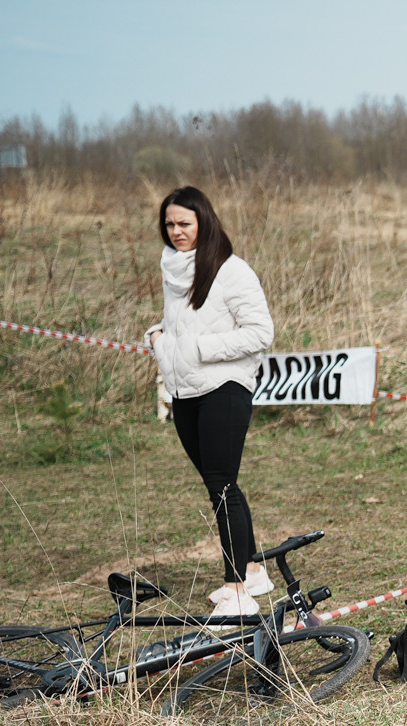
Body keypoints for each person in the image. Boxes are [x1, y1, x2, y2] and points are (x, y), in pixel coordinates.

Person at [146, 186, 276, 616]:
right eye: (170, 224)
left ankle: (237, 589)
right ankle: (253, 569)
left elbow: (260, 333)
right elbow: (177, 324)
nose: (177, 231)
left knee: (221, 485)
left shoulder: (232, 271)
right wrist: (160, 343)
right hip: (184, 391)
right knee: (219, 485)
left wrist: (198, 349)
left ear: (204, 221)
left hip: (224, 388)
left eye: (185, 223)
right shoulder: (173, 266)